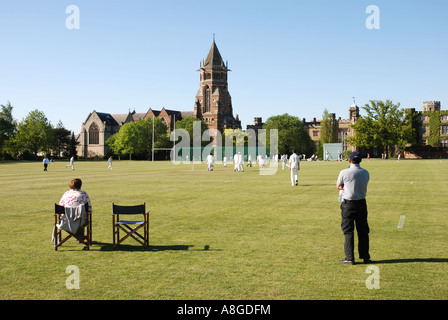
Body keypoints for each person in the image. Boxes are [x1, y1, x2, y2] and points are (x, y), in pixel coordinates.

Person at [336, 151, 371, 265]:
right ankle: (365, 256)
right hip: (361, 203)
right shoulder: (366, 172)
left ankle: (350, 257)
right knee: (363, 231)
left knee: (348, 231)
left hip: (348, 204)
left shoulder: (344, 172)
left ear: (349, 160)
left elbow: (339, 186)